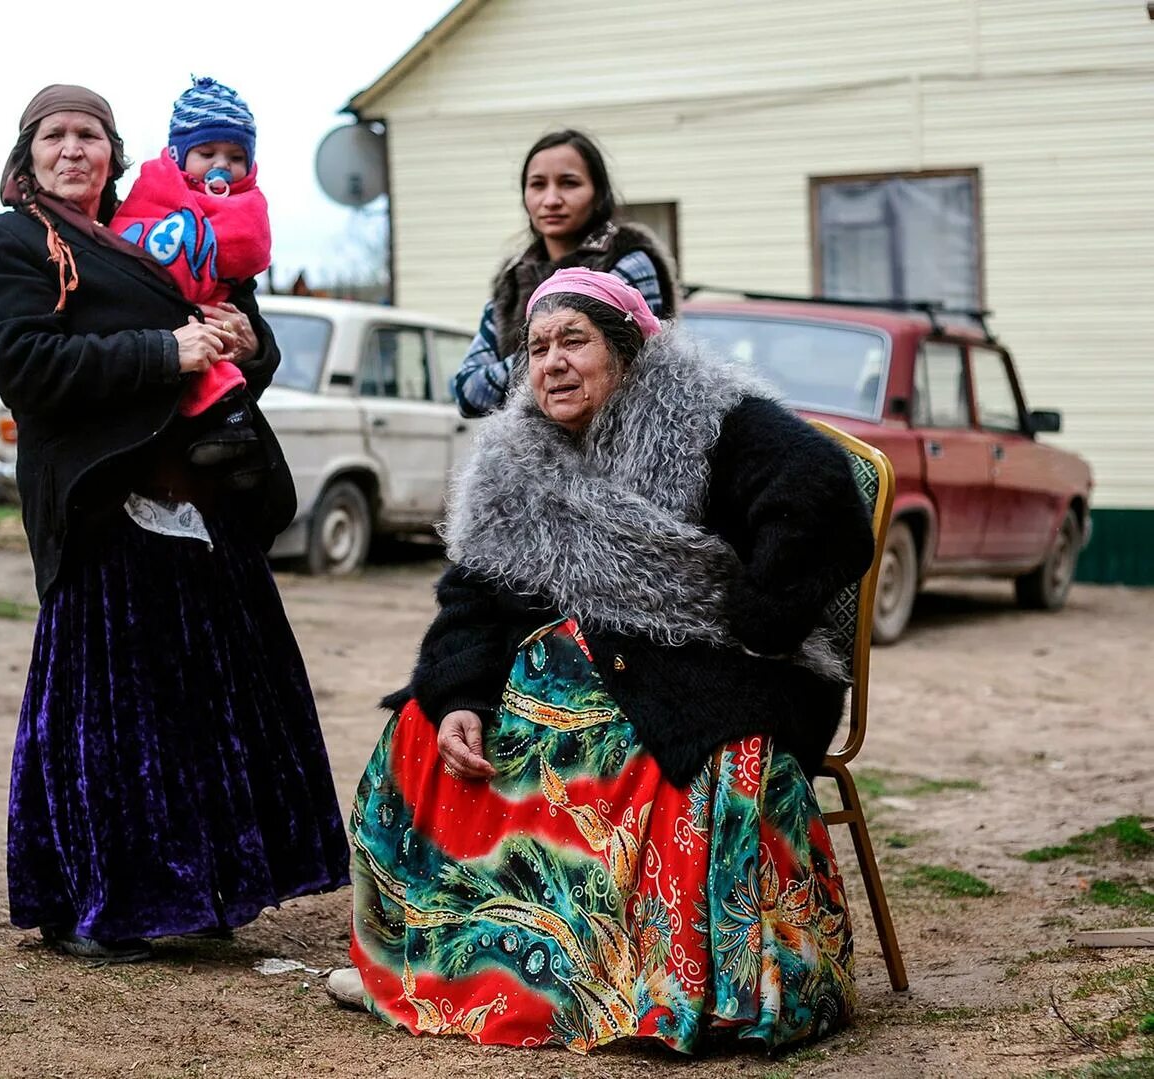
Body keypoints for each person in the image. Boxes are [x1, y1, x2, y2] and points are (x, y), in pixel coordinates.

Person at [327, 268, 874, 1054]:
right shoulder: (515, 461)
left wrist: (760, 613)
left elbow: (820, 495)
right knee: (425, 729)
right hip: (595, 667)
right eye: (537, 346)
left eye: (573, 340)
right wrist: (459, 697)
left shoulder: (710, 418)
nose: (551, 360)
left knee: (637, 751)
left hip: (728, 666)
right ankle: (437, 962)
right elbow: (471, 599)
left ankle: (632, 979)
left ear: (626, 349)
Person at [0, 84, 350, 964]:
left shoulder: (152, 231)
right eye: (56, 135)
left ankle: (204, 891)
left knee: (209, 710)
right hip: (104, 513)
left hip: (206, 506)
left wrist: (248, 341)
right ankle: (96, 904)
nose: (74, 149)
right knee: (108, 724)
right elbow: (29, 368)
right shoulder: (3, 246)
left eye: (91, 135)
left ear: (116, 152)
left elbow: (240, 333)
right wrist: (165, 352)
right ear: (27, 155)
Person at [453, 130, 680, 419]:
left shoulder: (628, 260)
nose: (551, 199)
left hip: (616, 447)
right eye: (537, 185)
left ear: (599, 194)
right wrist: (553, 359)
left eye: (569, 183)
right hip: (527, 456)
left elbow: (632, 370)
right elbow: (469, 393)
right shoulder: (514, 277)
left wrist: (530, 361)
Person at [110, 76, 270, 485]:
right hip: (153, 361)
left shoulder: (243, 207)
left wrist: (254, 346)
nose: (222, 165)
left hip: (215, 331)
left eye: (236, 156)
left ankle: (235, 442)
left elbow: (246, 287)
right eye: (207, 152)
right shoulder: (152, 195)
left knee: (219, 371)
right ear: (179, 156)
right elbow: (130, 233)